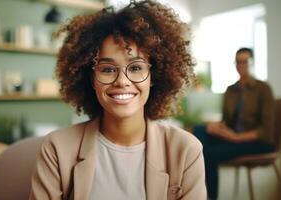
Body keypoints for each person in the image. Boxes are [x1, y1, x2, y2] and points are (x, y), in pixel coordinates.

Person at [29, 1, 206, 199]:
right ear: (91, 79)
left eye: (136, 68)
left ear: (154, 76)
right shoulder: (57, 148)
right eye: (107, 69)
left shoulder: (186, 150)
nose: (122, 81)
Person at [193, 47, 276, 200]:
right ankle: (195, 189)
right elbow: (228, 121)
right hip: (234, 136)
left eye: (244, 61)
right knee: (199, 131)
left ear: (252, 63)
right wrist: (218, 127)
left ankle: (210, 197)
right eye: (237, 62)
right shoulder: (231, 90)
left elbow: (266, 130)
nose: (241, 65)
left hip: (257, 141)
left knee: (209, 153)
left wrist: (235, 138)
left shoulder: (263, 89)